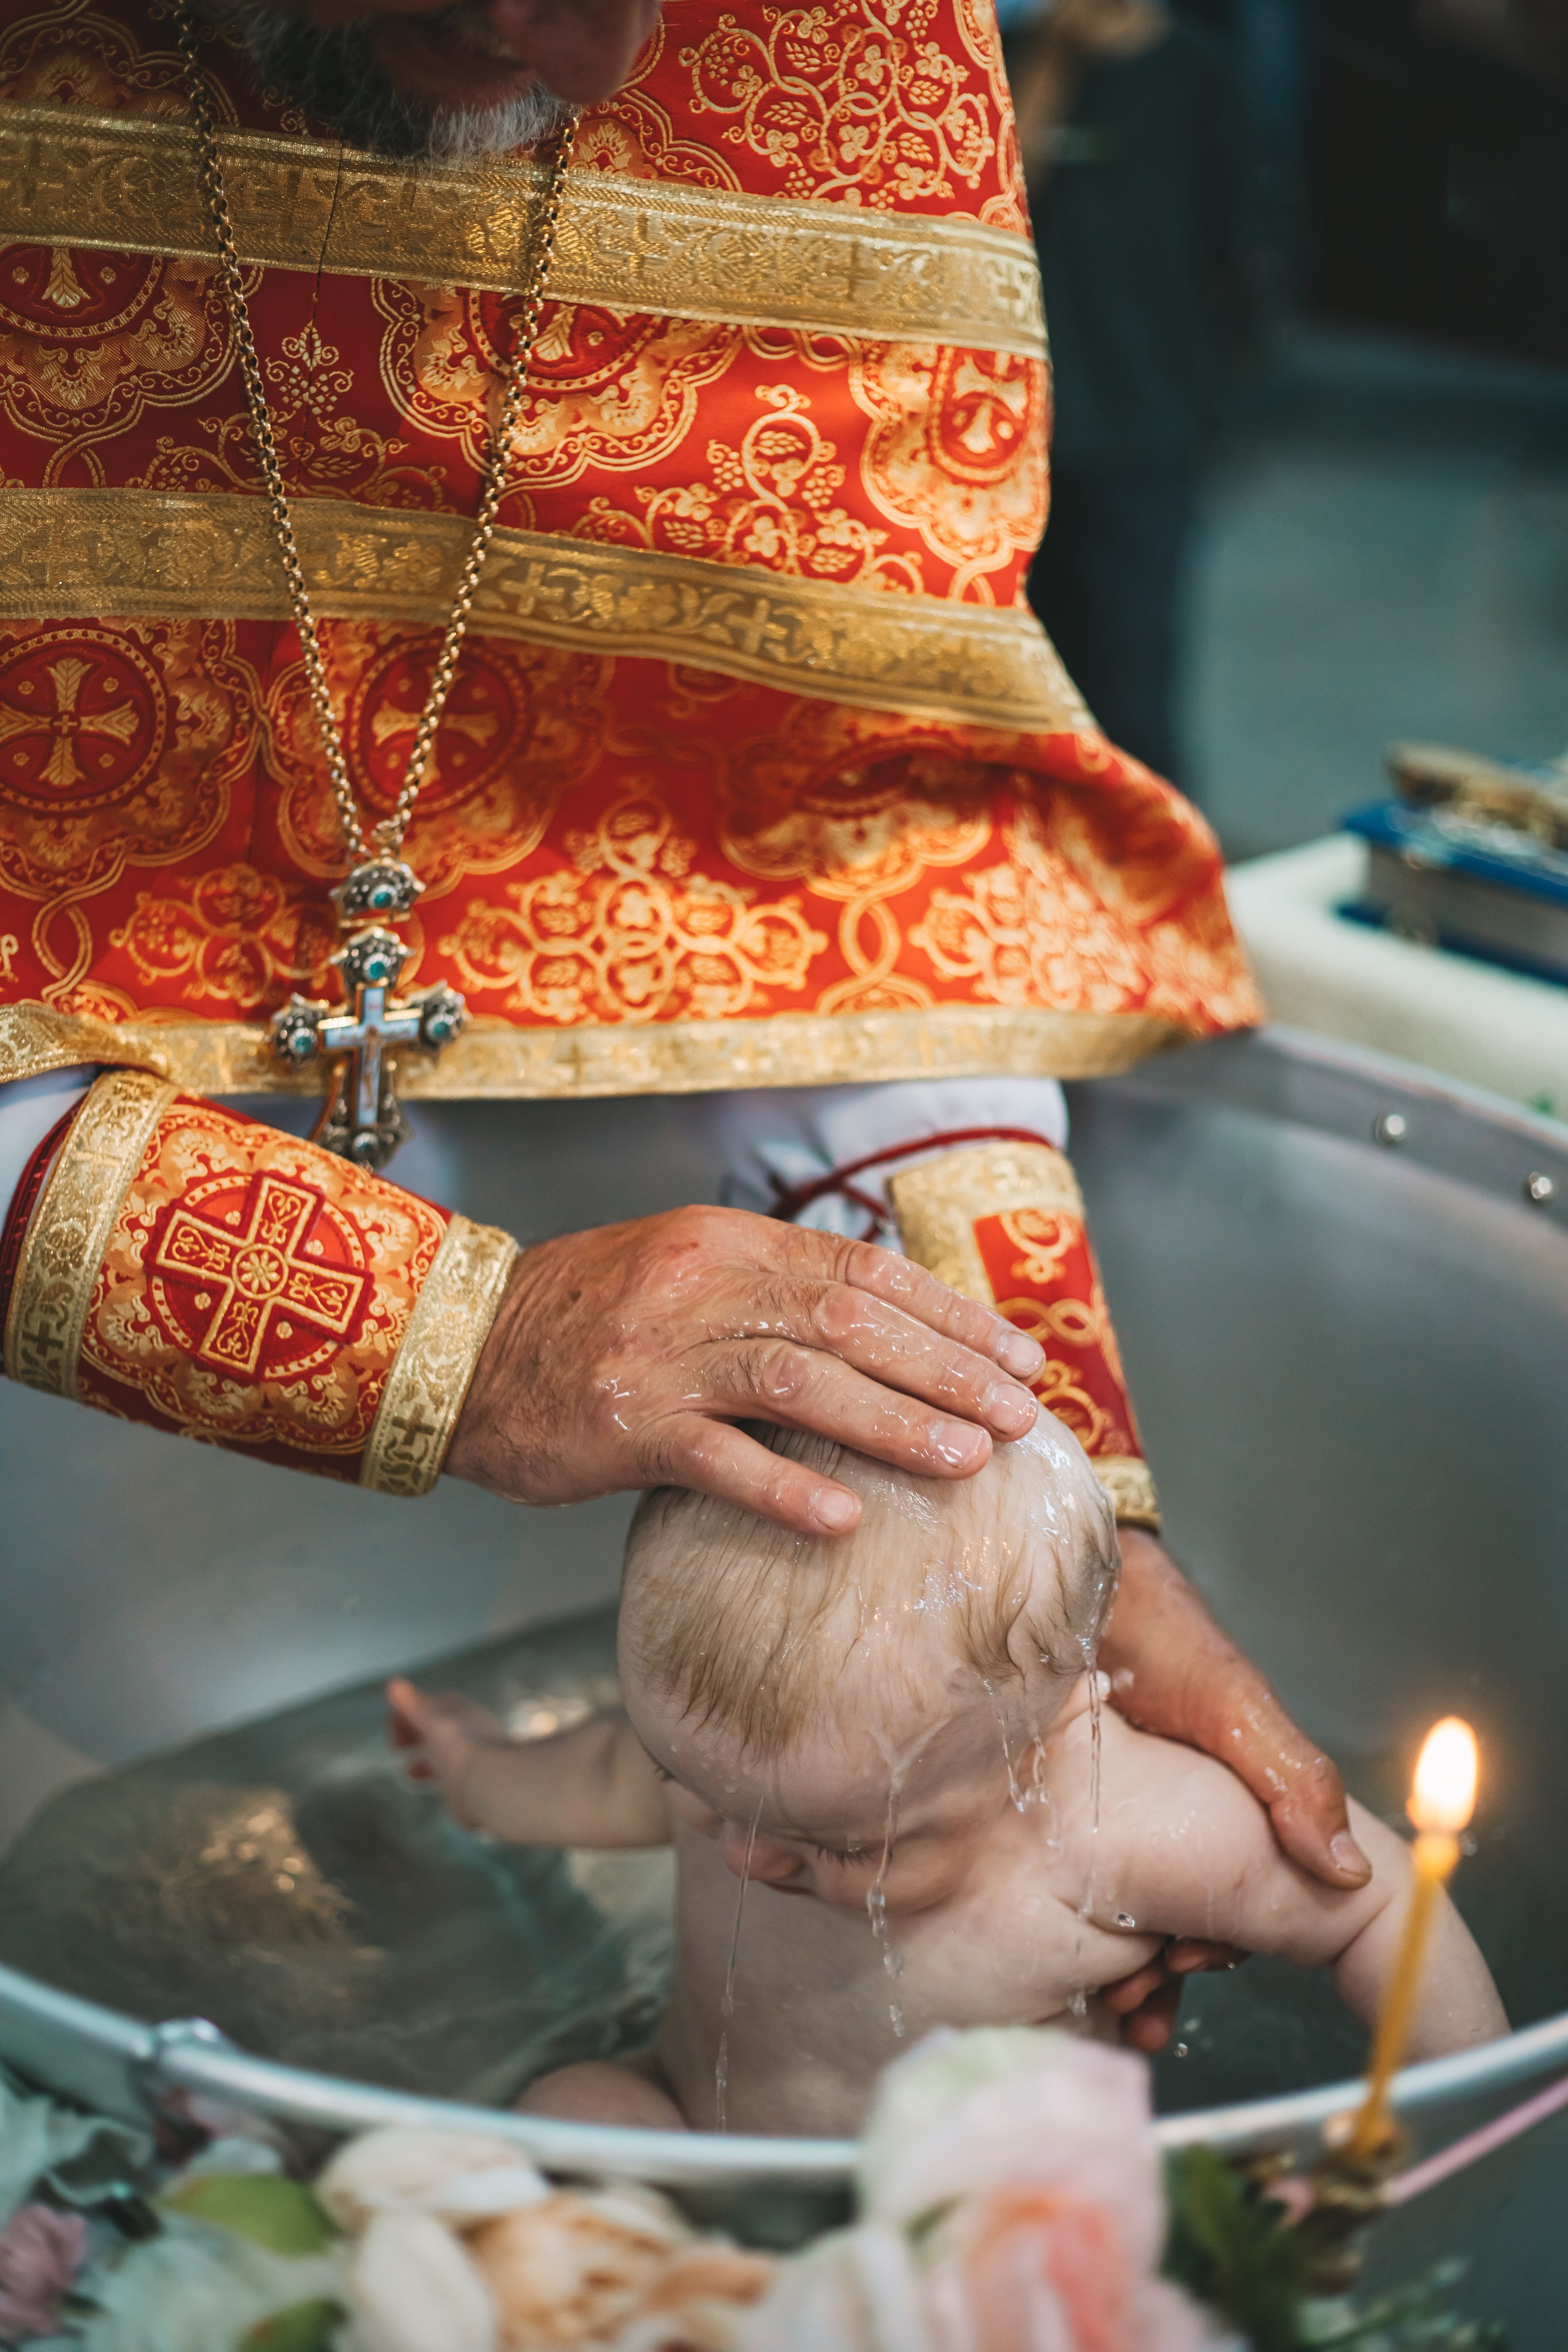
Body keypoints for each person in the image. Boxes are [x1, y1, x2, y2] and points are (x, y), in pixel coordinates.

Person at [1, 0, 1364, 2046]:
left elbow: (850, 850)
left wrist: (1066, 1520)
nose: (557, 34)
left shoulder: (841, 52)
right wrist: (442, 1340)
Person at [387, 1414, 1506, 2134]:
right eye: (697, 1790)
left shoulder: (1118, 1827)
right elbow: (589, 1781)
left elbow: (1378, 1913)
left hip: (986, 2225)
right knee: (568, 2119)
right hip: (696, 2124)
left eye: (844, 1845)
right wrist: (473, 1766)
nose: (744, 1853)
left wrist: (1474, 2114)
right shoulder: (745, 1783)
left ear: (1052, 1735)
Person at [1008, 0, 1259, 787]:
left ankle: (1147, 885)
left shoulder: (1200, 71)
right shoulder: (1009, 55)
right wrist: (1057, 61)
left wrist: (1212, 404)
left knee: (1129, 685)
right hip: (1012, 427)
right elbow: (992, 199)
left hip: (1143, 431)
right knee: (1013, 690)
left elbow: (1245, 247)